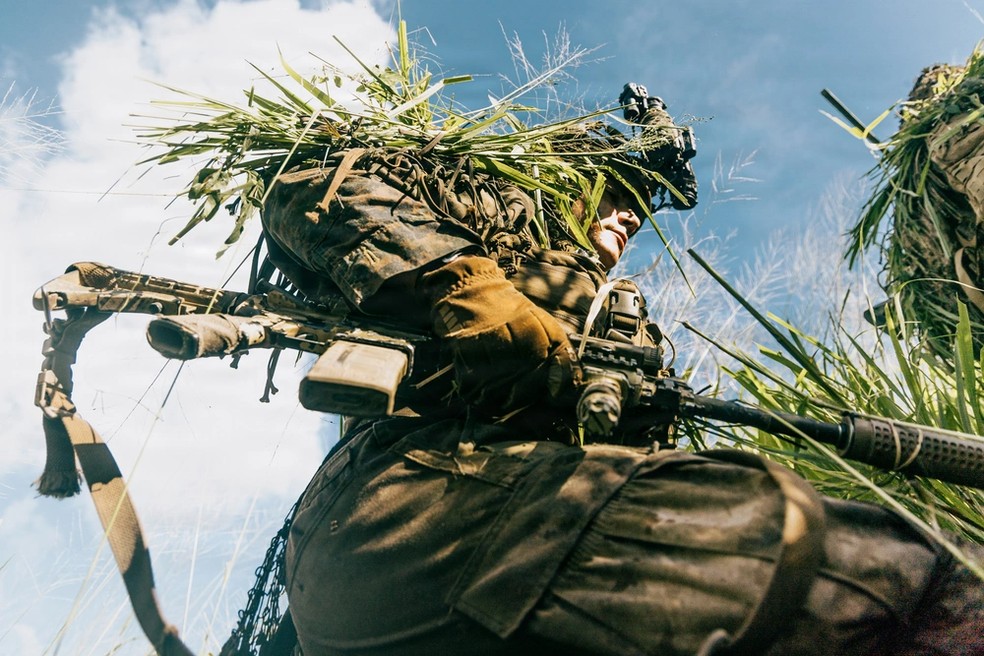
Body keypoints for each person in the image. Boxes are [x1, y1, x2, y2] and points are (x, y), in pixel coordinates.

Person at [257, 90, 983, 656]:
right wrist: (465, 286)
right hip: (408, 511)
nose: (632, 217)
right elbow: (309, 183)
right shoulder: (498, 216)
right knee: (889, 581)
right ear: (571, 180)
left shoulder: (620, 313)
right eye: (619, 195)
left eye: (642, 209)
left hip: (534, 531)